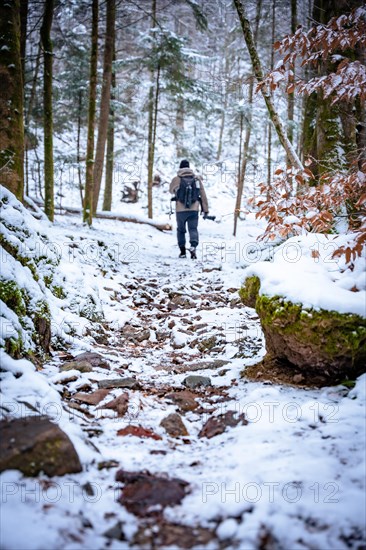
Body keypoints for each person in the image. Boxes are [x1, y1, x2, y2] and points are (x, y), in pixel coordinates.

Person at [170, 159, 209, 259]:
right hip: (194, 209)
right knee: (193, 228)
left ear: (180, 167)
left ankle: (182, 251)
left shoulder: (176, 179)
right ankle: (193, 246)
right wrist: (206, 209)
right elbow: (203, 195)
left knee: (181, 230)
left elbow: (170, 191)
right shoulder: (196, 179)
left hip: (180, 210)